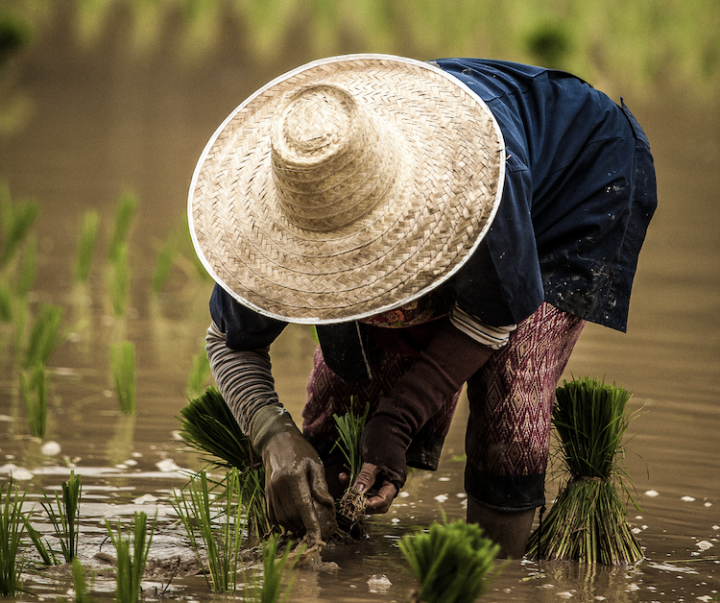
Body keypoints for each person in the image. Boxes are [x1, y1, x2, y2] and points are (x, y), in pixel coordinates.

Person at [188, 54, 657, 558]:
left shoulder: (476, 191)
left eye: (362, 252)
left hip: (575, 178)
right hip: (429, 173)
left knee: (512, 392)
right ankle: (332, 555)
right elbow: (228, 341)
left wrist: (400, 419)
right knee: (349, 390)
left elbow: (494, 314)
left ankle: (492, 579)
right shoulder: (276, 217)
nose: (348, 269)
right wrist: (273, 436)